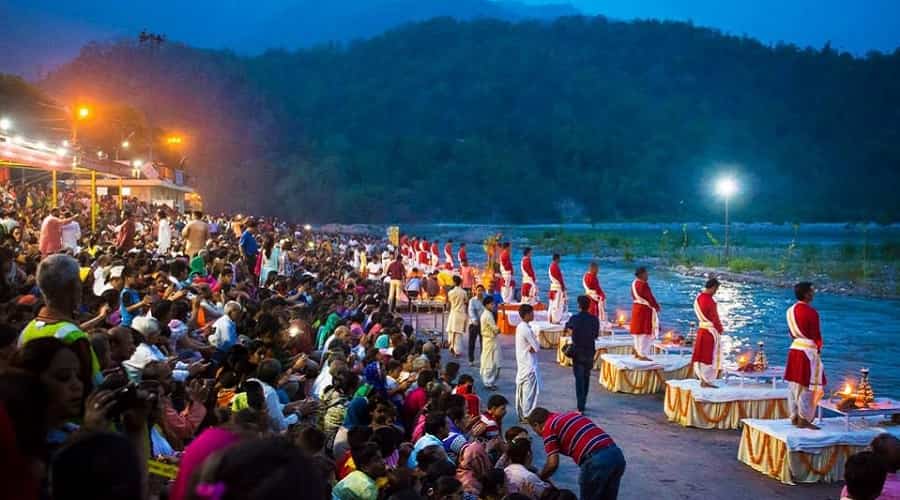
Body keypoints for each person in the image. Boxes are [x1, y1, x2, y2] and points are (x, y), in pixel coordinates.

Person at [18, 254, 100, 383]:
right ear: (71, 287)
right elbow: (94, 386)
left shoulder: (26, 331)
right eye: (79, 281)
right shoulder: (73, 337)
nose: (81, 287)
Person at [527, 407, 626, 500]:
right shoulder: (570, 415)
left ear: (536, 424)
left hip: (596, 461)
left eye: (534, 430)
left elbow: (552, 464)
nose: (537, 434)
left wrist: (538, 479)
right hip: (616, 455)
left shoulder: (549, 427)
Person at [784, 281, 825, 430]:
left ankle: (794, 415)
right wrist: (818, 348)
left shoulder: (789, 311)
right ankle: (804, 418)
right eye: (811, 291)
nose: (813, 293)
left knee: (794, 384)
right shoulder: (811, 312)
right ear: (806, 294)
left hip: (795, 349)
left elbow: (791, 333)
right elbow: (816, 335)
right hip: (807, 351)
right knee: (807, 386)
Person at [566, 296, 600, 413]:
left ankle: (580, 406)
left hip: (578, 351)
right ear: (589, 306)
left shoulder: (574, 318)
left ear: (579, 306)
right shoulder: (594, 319)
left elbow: (568, 329)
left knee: (579, 379)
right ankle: (583, 402)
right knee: (586, 377)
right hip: (590, 351)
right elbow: (596, 335)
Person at [691, 278, 724, 388]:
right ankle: (707, 380)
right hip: (709, 332)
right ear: (713, 287)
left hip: (701, 330)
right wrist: (720, 329)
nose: (716, 291)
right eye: (716, 289)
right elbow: (715, 318)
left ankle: (702, 378)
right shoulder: (710, 301)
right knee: (709, 356)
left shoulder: (698, 298)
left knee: (700, 356)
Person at [515, 303, 541, 421]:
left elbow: (534, 347)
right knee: (528, 392)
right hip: (529, 365)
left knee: (525, 391)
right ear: (526, 315)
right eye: (531, 313)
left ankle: (524, 413)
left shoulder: (521, 327)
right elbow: (536, 347)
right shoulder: (526, 329)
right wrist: (535, 343)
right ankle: (526, 414)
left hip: (523, 363)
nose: (533, 315)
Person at [630, 267, 660, 361]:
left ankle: (637, 351)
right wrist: (656, 307)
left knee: (637, 331)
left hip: (636, 308)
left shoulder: (634, 283)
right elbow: (649, 297)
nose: (648, 275)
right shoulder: (643, 284)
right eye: (646, 274)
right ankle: (642, 354)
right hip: (644, 310)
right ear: (642, 274)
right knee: (644, 331)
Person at [480, 295, 501, 391]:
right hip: (489, 340)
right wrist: (498, 330)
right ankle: (488, 382)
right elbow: (495, 329)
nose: (494, 306)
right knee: (490, 361)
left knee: (491, 360)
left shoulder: (487, 314)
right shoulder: (488, 315)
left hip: (489, 340)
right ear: (487, 305)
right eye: (492, 304)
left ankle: (489, 381)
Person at [446, 275, 468, 357]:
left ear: (454, 282)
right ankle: (457, 351)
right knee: (458, 333)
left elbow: (449, 303)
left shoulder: (450, 292)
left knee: (452, 332)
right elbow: (466, 301)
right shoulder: (464, 292)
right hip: (461, 313)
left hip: (453, 313)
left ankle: (451, 346)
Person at [467, 284, 486, 366]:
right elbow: (471, 311)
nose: (480, 292)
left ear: (484, 291)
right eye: (478, 290)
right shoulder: (472, 300)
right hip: (474, 324)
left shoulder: (486, 300)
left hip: (483, 324)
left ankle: (483, 360)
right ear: (475, 291)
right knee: (472, 343)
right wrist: (475, 320)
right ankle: (471, 360)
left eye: (481, 290)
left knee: (483, 343)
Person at [548, 254, 566, 324]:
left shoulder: (551, 266)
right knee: (557, 305)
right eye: (559, 259)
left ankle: (551, 319)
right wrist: (563, 287)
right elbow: (560, 278)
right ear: (557, 259)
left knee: (552, 304)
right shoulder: (555, 267)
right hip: (557, 289)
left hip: (553, 287)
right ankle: (555, 320)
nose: (560, 260)